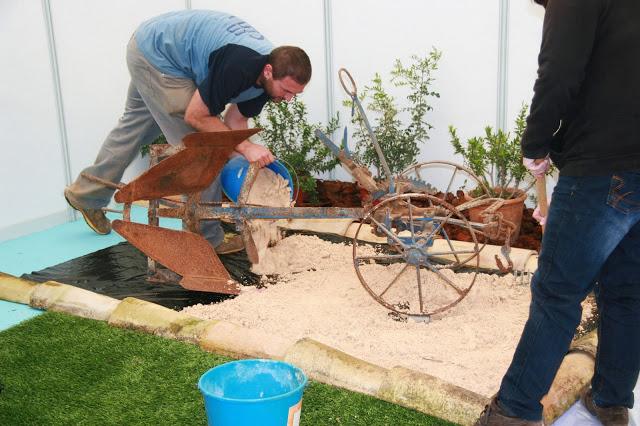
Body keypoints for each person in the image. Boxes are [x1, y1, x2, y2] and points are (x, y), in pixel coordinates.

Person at [476, 0, 640, 425]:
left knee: (557, 294)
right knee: (627, 294)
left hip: (604, 164)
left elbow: (558, 73)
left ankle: (513, 411)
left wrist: (535, 144)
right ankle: (612, 400)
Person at [64, 10, 311, 254]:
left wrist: (247, 157)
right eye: (286, 90)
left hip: (155, 45)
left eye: (294, 94)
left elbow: (235, 122)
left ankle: (86, 196)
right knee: (204, 152)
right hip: (159, 56)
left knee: (134, 129)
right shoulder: (239, 66)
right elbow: (196, 116)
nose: (288, 99)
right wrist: (246, 148)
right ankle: (206, 242)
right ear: (268, 71)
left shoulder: (267, 82)